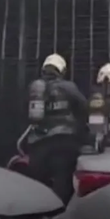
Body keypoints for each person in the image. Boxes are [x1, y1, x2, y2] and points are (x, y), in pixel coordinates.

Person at [26, 53, 88, 204]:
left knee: (36, 184)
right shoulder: (69, 87)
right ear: (62, 71)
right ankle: (59, 212)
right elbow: (84, 107)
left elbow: (24, 112)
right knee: (63, 181)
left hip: (38, 143)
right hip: (64, 143)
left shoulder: (35, 88)